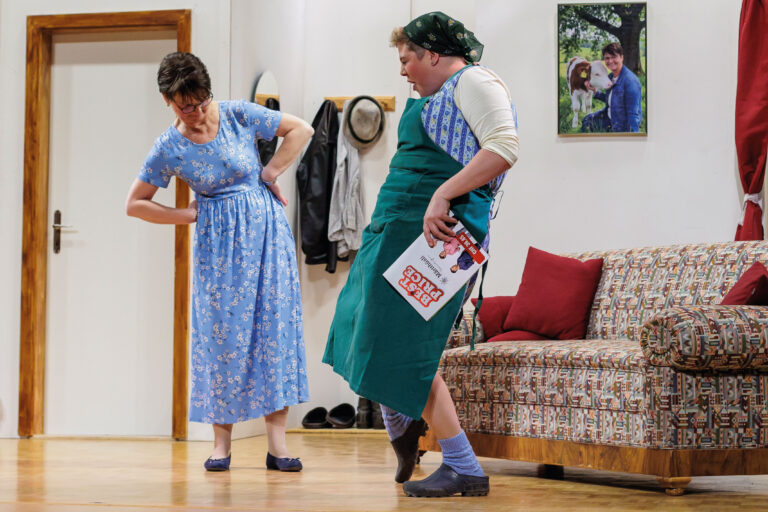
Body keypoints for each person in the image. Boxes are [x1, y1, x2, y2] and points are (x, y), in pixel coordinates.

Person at [323, 12, 519, 498]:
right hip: (398, 228)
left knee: (406, 347)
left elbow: (504, 147)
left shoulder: (474, 82)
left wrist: (442, 194)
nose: (403, 70)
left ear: (432, 53)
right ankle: (403, 426)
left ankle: (463, 466)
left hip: (439, 236)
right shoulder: (436, 95)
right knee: (358, 325)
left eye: (407, 59)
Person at [125, 52, 313, 472]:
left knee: (273, 331)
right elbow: (135, 203)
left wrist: (270, 173)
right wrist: (185, 215)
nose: (196, 112)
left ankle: (278, 447)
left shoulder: (236, 115)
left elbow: (301, 129)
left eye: (201, 101)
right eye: (184, 106)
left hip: (267, 236)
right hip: (219, 248)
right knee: (221, 337)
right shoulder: (169, 147)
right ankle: (221, 446)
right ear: (167, 101)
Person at [582, 42, 642, 133]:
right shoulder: (610, 77)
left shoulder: (630, 81)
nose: (610, 61)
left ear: (621, 57)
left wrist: (632, 136)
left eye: (614, 57)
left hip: (620, 124)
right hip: (609, 116)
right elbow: (611, 100)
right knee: (586, 120)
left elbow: (633, 114)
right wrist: (595, 91)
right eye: (607, 58)